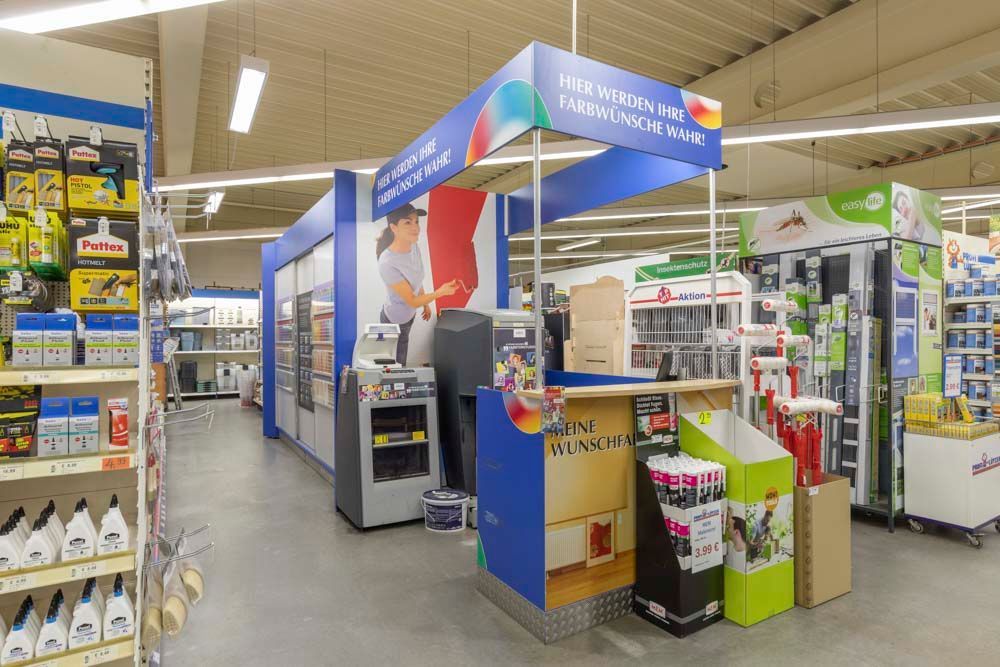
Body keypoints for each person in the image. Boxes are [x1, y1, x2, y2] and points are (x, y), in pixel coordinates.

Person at [376, 203, 459, 365]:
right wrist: (440, 292)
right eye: (408, 222)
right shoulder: (387, 262)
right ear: (393, 227)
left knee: (402, 353)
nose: (415, 227)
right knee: (394, 365)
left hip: (408, 315)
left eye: (416, 222)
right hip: (393, 319)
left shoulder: (414, 247)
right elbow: (412, 300)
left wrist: (425, 304)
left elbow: (416, 278)